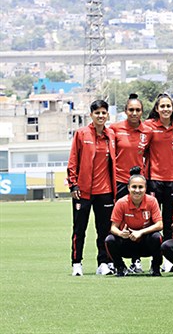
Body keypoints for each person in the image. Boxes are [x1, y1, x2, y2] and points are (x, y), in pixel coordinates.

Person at [67, 99, 116, 277]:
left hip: (105, 191)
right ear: (91, 115)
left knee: (104, 230)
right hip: (83, 191)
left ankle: (103, 262)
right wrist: (73, 184)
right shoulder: (81, 134)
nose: (101, 116)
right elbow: (73, 160)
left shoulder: (111, 135)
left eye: (104, 113)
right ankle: (76, 263)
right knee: (79, 229)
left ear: (107, 115)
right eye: (97, 113)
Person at [112, 93, 150, 273]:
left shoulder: (147, 131)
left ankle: (137, 261)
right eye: (131, 110)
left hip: (138, 183)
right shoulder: (115, 129)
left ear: (142, 112)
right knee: (121, 223)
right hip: (120, 181)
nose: (134, 113)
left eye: (138, 110)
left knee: (139, 222)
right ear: (125, 111)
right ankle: (114, 261)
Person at [104, 166, 163, 277]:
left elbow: (159, 224)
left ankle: (155, 267)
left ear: (145, 188)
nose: (137, 190)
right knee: (109, 240)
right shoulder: (121, 203)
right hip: (127, 243)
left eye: (140, 187)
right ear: (128, 188)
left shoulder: (152, 201)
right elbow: (113, 227)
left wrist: (140, 232)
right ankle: (120, 267)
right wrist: (121, 233)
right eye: (134, 187)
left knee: (157, 237)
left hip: (145, 243)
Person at [145, 93, 173, 244]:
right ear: (157, 108)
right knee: (152, 220)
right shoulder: (149, 125)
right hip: (154, 180)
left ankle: (169, 255)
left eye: (168, 106)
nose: (165, 109)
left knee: (169, 220)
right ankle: (153, 256)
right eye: (162, 106)